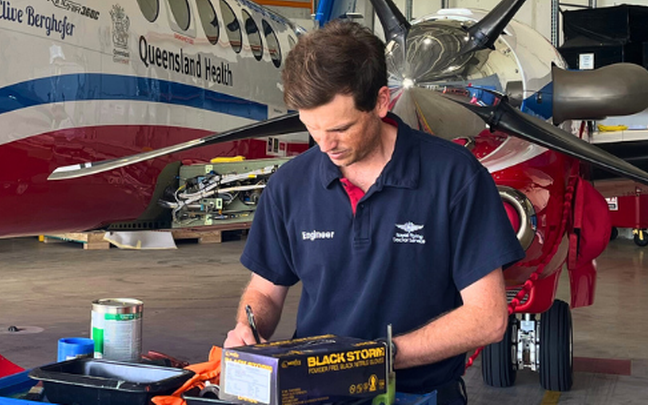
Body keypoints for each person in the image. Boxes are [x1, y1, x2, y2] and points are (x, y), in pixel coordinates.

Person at [223, 21, 525, 404]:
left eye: (341, 128)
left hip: (419, 394)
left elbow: (488, 318)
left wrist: (375, 360)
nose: (325, 144)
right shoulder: (289, 186)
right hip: (316, 395)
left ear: (382, 101)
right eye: (311, 128)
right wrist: (247, 327)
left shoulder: (454, 177)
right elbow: (265, 289)